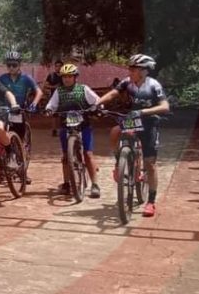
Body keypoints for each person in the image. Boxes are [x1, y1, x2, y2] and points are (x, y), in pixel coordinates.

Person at [96, 54, 170, 215]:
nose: (129, 71)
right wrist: (98, 103)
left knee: (150, 164)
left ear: (143, 71)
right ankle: (119, 162)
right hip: (132, 120)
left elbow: (165, 106)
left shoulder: (153, 85)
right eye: (129, 68)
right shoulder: (127, 82)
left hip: (149, 122)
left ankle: (151, 201)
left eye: (133, 69)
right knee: (115, 131)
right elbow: (113, 93)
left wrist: (144, 112)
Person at [45, 63, 102, 199]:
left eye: (70, 76)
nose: (67, 79)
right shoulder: (59, 91)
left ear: (75, 77)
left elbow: (97, 101)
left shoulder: (83, 89)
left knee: (88, 154)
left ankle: (95, 185)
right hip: (66, 125)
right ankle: (66, 184)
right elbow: (51, 104)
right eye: (64, 77)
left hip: (84, 125)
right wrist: (49, 110)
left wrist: (97, 108)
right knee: (66, 156)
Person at [0, 51, 44, 149]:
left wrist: (33, 104)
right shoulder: (2, 78)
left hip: (19, 110)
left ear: (19, 65)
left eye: (14, 65)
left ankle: (20, 149)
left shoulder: (26, 78)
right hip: (5, 109)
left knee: (18, 136)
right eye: (9, 65)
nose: (11, 68)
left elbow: (39, 92)